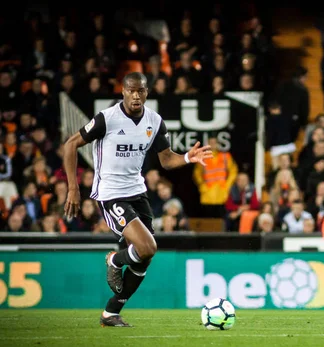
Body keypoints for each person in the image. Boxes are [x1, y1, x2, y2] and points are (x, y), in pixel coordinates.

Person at [63, 72, 213, 327]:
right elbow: (70, 144)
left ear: (146, 93)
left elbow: (166, 159)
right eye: (131, 90)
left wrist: (187, 158)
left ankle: (111, 313)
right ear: (123, 91)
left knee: (144, 256)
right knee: (147, 247)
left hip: (137, 192)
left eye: (140, 91)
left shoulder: (154, 121)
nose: (136, 95)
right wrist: (73, 189)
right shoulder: (107, 118)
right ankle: (114, 260)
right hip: (111, 194)